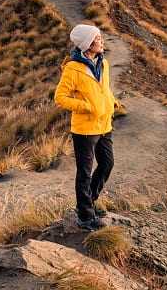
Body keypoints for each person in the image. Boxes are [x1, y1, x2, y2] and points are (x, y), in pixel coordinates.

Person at [53, 23, 120, 230]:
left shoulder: (103, 63)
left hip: (104, 124)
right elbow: (60, 98)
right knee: (85, 172)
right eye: (98, 39)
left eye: (100, 38)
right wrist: (86, 106)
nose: (101, 41)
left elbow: (103, 89)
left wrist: (111, 101)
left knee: (107, 164)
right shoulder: (73, 68)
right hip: (84, 129)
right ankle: (85, 216)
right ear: (87, 44)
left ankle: (89, 201)